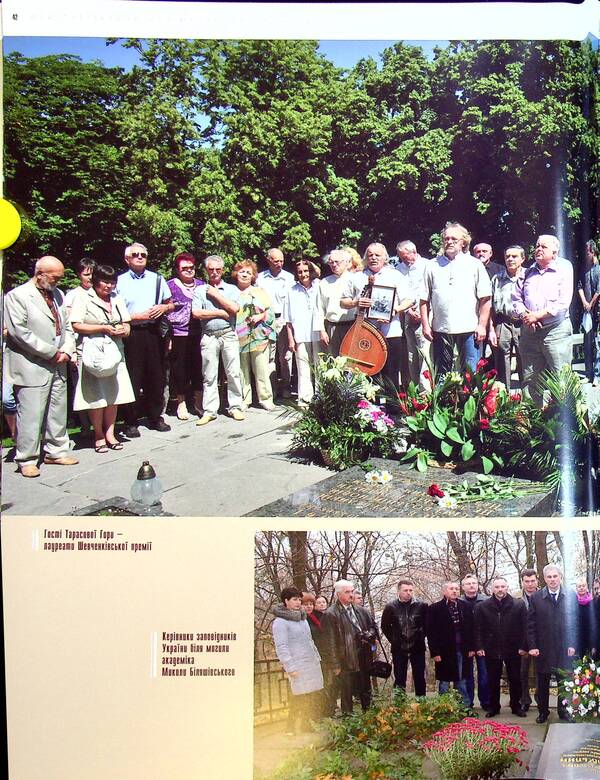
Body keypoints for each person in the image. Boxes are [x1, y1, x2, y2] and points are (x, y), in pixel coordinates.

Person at [4, 256, 78, 477]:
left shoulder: (58, 294)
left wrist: (66, 349)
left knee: (57, 409)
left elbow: (66, 325)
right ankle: (26, 458)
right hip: (31, 363)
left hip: (58, 362)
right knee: (31, 413)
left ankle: (56, 451)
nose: (57, 282)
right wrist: (50, 352)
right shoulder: (17, 296)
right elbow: (19, 333)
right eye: (54, 278)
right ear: (40, 274)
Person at [70, 264, 135, 453]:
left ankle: (110, 433)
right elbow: (76, 325)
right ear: (96, 281)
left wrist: (124, 330)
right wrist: (102, 328)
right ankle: (98, 435)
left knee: (114, 394)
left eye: (112, 282)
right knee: (96, 396)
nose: (109, 286)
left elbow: (127, 323)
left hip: (115, 350)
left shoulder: (117, 298)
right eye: (105, 282)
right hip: (93, 351)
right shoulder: (83, 297)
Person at [116, 242, 174, 436]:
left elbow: (171, 304)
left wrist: (164, 308)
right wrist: (134, 317)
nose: (140, 257)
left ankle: (155, 417)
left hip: (154, 332)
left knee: (155, 377)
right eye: (135, 255)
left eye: (143, 254)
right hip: (132, 333)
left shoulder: (157, 279)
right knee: (133, 377)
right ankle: (130, 421)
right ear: (127, 259)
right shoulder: (119, 282)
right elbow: (114, 311)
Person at [341, 242, 414, 394]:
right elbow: (343, 302)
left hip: (390, 331)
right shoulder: (356, 277)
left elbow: (410, 300)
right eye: (370, 255)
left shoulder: (395, 275)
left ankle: (393, 410)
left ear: (385, 258)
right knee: (366, 372)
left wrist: (395, 310)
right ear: (365, 258)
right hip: (364, 332)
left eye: (377, 255)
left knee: (391, 372)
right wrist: (356, 302)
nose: (373, 258)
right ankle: (368, 410)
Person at [420, 222, 492, 377]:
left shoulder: (475, 264)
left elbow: (485, 299)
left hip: (469, 329)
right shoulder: (432, 265)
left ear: (463, 242)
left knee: (471, 374)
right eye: (446, 238)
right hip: (440, 329)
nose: (449, 241)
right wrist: (425, 326)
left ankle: (469, 401)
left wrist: (482, 325)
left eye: (454, 238)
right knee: (441, 375)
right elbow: (423, 299)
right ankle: (443, 402)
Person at [512, 234, 574, 406]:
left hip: (556, 332)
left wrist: (538, 315)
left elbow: (563, 303)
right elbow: (516, 299)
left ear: (554, 253)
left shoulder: (564, 269)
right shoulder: (526, 272)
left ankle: (565, 422)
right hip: (530, 332)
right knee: (530, 380)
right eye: (537, 246)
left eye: (543, 247)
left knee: (562, 379)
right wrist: (527, 315)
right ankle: (534, 422)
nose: (538, 249)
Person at [192, 255, 244, 425]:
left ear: (222, 270)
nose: (214, 272)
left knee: (234, 372)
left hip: (228, 334)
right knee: (209, 375)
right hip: (209, 336)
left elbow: (235, 308)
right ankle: (210, 410)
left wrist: (215, 295)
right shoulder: (199, 290)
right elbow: (197, 313)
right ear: (206, 270)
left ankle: (235, 406)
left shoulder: (231, 289)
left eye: (218, 269)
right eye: (211, 269)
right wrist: (221, 313)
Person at [527, 563, 578, 723]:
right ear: (544, 579)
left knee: (564, 682)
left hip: (564, 648)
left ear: (560, 577)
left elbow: (574, 622)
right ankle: (543, 712)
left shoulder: (570, 595)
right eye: (549, 576)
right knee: (542, 683)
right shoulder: (536, 597)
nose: (552, 579)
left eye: (555, 576)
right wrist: (533, 646)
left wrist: (572, 644)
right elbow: (531, 624)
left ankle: (564, 711)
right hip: (543, 648)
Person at [272, 586, 324, 736]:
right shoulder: (280, 622)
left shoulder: (302, 618)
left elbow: (309, 640)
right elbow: (282, 646)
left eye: (299, 600)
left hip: (310, 662)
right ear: (286, 601)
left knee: (310, 695)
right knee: (298, 696)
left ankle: (306, 725)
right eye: (294, 599)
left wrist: (316, 658)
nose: (297, 603)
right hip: (297, 664)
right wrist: (290, 667)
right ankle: (290, 728)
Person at [474, 576, 528, 718]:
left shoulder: (518, 605)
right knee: (492, 679)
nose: (500, 590)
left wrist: (523, 646)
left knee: (515, 678)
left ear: (507, 587)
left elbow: (525, 628)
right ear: (492, 589)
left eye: (502, 587)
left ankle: (516, 705)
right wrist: (479, 646)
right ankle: (494, 707)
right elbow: (478, 629)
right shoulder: (482, 606)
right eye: (497, 587)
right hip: (491, 648)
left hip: (513, 648)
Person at [322, 579, 376, 714]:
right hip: (345, 658)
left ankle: (368, 716)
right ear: (338, 594)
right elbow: (330, 642)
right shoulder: (331, 614)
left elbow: (373, 627)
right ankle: (348, 721)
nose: (351, 595)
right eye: (347, 592)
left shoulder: (360, 611)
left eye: (352, 591)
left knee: (365, 688)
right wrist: (335, 664)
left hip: (363, 656)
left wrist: (369, 634)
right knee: (347, 692)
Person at [232, 260, 276, 411]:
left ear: (253, 276)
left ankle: (265, 399)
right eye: (241, 271)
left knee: (261, 369)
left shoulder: (260, 292)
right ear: (236, 273)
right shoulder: (231, 292)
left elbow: (270, 312)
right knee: (241, 370)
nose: (244, 274)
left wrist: (259, 317)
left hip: (258, 336)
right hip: (237, 337)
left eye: (248, 272)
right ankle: (245, 399)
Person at [166, 252, 204, 420]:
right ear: (177, 270)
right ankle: (180, 403)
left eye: (191, 268)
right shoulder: (169, 286)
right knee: (179, 370)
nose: (188, 271)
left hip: (199, 334)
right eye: (184, 268)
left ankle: (198, 402)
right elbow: (164, 312)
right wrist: (167, 338)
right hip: (177, 334)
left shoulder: (202, 285)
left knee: (198, 368)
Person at [426, 581, 476, 711]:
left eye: (456, 589)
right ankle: (443, 707)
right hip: (444, 651)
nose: (454, 591)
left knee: (461, 678)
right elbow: (431, 632)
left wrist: (471, 648)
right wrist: (435, 652)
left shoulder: (465, 606)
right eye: (451, 589)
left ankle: (465, 706)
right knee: (444, 680)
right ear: (444, 591)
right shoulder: (434, 609)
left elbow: (471, 629)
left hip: (462, 649)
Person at [64, 258, 97, 434]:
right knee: (81, 387)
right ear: (79, 275)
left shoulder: (101, 292)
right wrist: (71, 352)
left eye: (92, 273)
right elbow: (68, 325)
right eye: (86, 274)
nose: (90, 277)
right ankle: (85, 426)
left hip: (100, 347)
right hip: (79, 346)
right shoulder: (72, 295)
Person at [256, 248, 295, 399]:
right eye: (275, 261)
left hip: (283, 320)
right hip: (266, 321)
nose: (279, 264)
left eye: (281, 261)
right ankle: (270, 388)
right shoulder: (260, 278)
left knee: (285, 357)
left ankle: (286, 386)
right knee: (269, 357)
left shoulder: (289, 278)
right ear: (268, 260)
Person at [283, 260, 322, 407]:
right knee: (303, 368)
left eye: (306, 271)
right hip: (300, 334)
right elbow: (288, 319)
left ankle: (321, 397)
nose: (303, 274)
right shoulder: (291, 290)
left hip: (318, 333)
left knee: (319, 366)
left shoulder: (319, 286)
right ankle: (305, 399)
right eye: (300, 272)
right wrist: (291, 339)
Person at [394, 241, 431, 390]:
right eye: (400, 257)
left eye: (405, 256)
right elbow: (399, 295)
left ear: (413, 252)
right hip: (407, 315)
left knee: (425, 353)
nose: (403, 260)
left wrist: (422, 314)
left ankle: (426, 391)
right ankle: (413, 390)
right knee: (411, 355)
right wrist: (408, 310)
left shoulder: (428, 266)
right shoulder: (398, 269)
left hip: (426, 315)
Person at [380, 578, 427, 696]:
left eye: (411, 590)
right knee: (400, 677)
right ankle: (400, 703)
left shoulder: (421, 605)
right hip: (399, 648)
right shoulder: (391, 607)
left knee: (420, 677)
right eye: (405, 590)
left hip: (417, 647)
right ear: (399, 591)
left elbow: (427, 625)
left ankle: (421, 703)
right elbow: (385, 626)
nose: (409, 593)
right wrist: (395, 639)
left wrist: (420, 637)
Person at [488, 246, 526, 389]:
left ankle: (528, 396)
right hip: (502, 322)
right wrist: (491, 330)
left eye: (514, 256)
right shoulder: (497, 279)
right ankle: (504, 394)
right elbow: (490, 307)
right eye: (507, 256)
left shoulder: (529, 276)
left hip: (524, 323)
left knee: (525, 358)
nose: (510, 259)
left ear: (522, 259)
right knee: (502, 358)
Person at [315, 249, 354, 358]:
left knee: (352, 361)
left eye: (337, 262)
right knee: (335, 361)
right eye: (331, 262)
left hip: (352, 326)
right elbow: (319, 308)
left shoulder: (355, 279)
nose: (334, 265)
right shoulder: (324, 282)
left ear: (346, 262)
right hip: (332, 327)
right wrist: (321, 330)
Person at [460, 573, 491, 712]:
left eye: (474, 583)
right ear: (463, 587)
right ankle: (468, 702)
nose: (471, 586)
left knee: (484, 675)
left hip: (484, 645)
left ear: (477, 585)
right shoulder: (459, 602)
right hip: (465, 645)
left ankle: (486, 701)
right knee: (467, 676)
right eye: (468, 584)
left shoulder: (486, 601)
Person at [302, 592, 333, 715]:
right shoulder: (303, 619)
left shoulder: (316, 618)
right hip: (309, 658)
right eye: (306, 604)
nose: (309, 606)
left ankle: (324, 711)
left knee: (324, 683)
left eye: (311, 604)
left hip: (321, 655)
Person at [577, 240, 600, 385]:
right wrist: (585, 302)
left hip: (597, 313)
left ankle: (597, 376)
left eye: (587, 251)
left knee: (598, 344)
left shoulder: (599, 269)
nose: (586, 253)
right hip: (587, 313)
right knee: (587, 343)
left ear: (593, 251)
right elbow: (579, 287)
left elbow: (599, 290)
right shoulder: (584, 270)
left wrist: (591, 304)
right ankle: (588, 373)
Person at [518, 568, 539, 713]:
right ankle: (524, 700)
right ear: (522, 582)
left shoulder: (544, 595)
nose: (530, 584)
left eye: (532, 581)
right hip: (521, 643)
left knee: (540, 673)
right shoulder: (515, 598)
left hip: (539, 642)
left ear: (537, 580)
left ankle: (541, 700)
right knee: (522, 673)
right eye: (527, 581)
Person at [575, 576, 596, 659]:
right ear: (576, 588)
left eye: (583, 586)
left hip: (590, 637)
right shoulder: (573, 602)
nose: (581, 588)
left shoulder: (593, 602)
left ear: (587, 587)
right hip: (578, 638)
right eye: (579, 586)